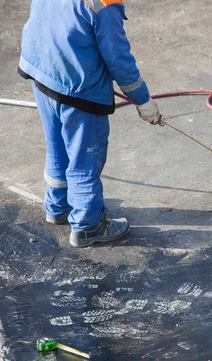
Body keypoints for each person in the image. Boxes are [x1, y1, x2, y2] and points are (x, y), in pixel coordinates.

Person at [18, 0, 163, 247]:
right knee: (85, 159)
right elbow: (118, 58)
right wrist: (143, 100)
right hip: (79, 91)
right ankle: (88, 226)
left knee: (57, 146)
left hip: (42, 72)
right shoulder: (104, 3)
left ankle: (57, 206)